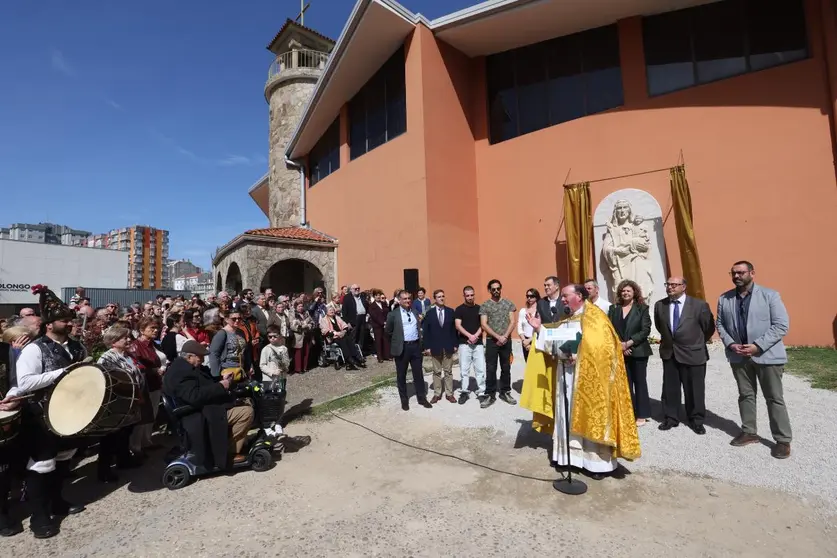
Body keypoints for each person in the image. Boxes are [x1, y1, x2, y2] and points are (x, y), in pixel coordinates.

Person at [521, 284, 641, 480]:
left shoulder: (596, 318)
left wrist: (581, 356)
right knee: (565, 416)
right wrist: (539, 329)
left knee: (590, 417)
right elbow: (555, 338)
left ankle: (596, 464)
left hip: (588, 380)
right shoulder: (568, 317)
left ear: (579, 296)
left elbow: (605, 349)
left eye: (566, 296)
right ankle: (568, 459)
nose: (562, 300)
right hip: (565, 377)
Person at [3, 285, 87, 539]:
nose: (70, 324)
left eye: (70, 319)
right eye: (65, 320)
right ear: (49, 324)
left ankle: (56, 500)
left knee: (65, 459)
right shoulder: (34, 349)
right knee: (42, 464)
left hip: (72, 413)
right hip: (42, 415)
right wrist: (63, 373)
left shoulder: (77, 348)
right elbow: (25, 382)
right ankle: (39, 516)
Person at [716, 261, 792, 459]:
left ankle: (782, 440)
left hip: (766, 355)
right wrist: (731, 344)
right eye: (733, 273)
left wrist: (758, 346)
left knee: (774, 398)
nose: (737, 276)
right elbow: (721, 324)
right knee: (745, 395)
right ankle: (749, 431)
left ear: (752, 273)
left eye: (741, 272)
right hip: (738, 355)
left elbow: (781, 325)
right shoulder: (725, 298)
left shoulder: (770, 296)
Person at [163, 341, 253, 467]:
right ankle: (229, 452)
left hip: (201, 408)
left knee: (241, 401)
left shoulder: (183, 367)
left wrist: (221, 380)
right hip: (197, 414)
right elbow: (195, 396)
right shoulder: (182, 373)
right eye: (200, 356)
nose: (203, 359)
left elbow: (203, 385)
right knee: (246, 412)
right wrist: (220, 386)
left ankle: (233, 443)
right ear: (189, 357)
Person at [654, 277, 716, 434]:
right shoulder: (660, 305)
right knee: (670, 388)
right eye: (667, 284)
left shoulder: (699, 305)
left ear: (684, 287)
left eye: (674, 285)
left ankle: (696, 420)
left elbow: (708, 328)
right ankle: (671, 418)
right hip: (670, 353)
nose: (670, 287)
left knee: (694, 389)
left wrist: (695, 341)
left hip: (693, 353)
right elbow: (660, 326)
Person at [96, 326, 144, 482]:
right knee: (110, 438)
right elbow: (105, 380)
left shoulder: (127, 355)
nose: (129, 339)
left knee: (125, 433)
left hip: (130, 402)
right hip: (116, 403)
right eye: (125, 338)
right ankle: (104, 470)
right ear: (113, 341)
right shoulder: (108, 358)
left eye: (129, 336)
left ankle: (124, 460)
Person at [608, 280, 652, 427]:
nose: (625, 293)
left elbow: (645, 330)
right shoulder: (614, 309)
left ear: (634, 293)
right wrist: (620, 345)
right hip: (620, 351)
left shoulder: (642, 308)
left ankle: (642, 415)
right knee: (624, 385)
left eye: (628, 291)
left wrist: (628, 343)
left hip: (638, 351)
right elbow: (610, 329)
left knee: (640, 383)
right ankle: (627, 413)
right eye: (623, 291)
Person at [386, 290, 432, 411]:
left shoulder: (415, 312)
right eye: (404, 299)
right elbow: (388, 331)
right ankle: (404, 400)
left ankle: (422, 398)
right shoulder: (393, 314)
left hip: (416, 347)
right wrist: (397, 342)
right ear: (399, 300)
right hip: (402, 348)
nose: (407, 301)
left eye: (408, 298)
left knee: (418, 374)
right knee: (401, 375)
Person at [479, 279, 517, 408]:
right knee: (491, 368)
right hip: (491, 341)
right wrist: (497, 337)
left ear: (501, 288)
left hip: (506, 340)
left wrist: (505, 336)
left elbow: (512, 321)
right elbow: (484, 324)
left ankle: (505, 392)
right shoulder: (485, 305)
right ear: (489, 290)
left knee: (506, 367)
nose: (496, 291)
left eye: (498, 288)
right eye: (493, 289)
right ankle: (490, 394)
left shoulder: (508, 304)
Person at [421, 290, 458, 404]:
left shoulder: (450, 311)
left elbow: (454, 330)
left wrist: (455, 344)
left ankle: (449, 393)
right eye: (439, 297)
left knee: (448, 371)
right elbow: (426, 332)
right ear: (435, 299)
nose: (441, 298)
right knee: (436, 371)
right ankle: (437, 394)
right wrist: (427, 347)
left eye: (443, 296)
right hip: (435, 346)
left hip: (448, 346)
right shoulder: (430, 313)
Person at [454, 286, 486, 405]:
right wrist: (469, 336)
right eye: (467, 295)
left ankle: (481, 392)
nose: (470, 297)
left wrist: (475, 336)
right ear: (464, 296)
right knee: (464, 369)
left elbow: (483, 324)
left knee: (480, 369)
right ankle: (464, 392)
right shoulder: (459, 309)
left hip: (478, 344)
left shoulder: (480, 308)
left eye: (472, 295)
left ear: (474, 295)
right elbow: (458, 325)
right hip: (464, 344)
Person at [319, 304, 364, 370]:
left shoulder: (337, 317)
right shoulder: (323, 320)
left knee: (349, 339)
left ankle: (356, 356)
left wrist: (343, 332)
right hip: (332, 337)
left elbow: (344, 324)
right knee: (343, 340)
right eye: (330, 310)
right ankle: (349, 359)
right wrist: (337, 333)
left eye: (333, 310)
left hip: (341, 334)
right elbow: (324, 331)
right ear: (326, 312)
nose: (332, 311)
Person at [209, 309, 249, 379]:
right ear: (227, 319)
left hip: (241, 370)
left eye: (239, 318)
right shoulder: (222, 333)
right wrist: (217, 375)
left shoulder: (241, 332)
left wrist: (249, 366)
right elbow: (214, 354)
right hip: (227, 370)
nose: (237, 320)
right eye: (234, 319)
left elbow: (246, 350)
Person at [289, 301, 314, 373]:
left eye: (302, 306)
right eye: (299, 306)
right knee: (298, 353)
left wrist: (309, 326)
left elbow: (312, 322)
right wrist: (304, 326)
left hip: (306, 334)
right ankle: (298, 368)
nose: (301, 308)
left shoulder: (306, 313)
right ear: (296, 307)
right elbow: (292, 326)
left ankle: (305, 367)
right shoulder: (293, 314)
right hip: (298, 336)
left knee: (306, 351)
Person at [367, 290, 391, 362]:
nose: (378, 297)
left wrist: (386, 322)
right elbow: (374, 316)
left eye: (379, 295)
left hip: (385, 324)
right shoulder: (372, 306)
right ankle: (380, 357)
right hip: (377, 325)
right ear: (374, 297)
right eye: (376, 295)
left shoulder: (383, 304)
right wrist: (382, 323)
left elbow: (387, 312)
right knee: (378, 341)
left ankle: (387, 355)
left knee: (386, 340)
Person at [518, 288, 539, 361]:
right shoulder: (523, 311)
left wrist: (530, 341)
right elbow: (519, 327)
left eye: (531, 296)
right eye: (527, 296)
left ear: (536, 297)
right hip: (525, 340)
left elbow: (541, 328)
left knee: (536, 364)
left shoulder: (539, 311)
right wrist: (524, 341)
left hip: (536, 339)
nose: (529, 298)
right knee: (527, 363)